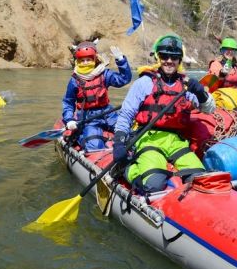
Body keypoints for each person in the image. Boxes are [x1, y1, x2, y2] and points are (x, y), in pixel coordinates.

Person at [113, 33, 216, 193]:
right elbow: (126, 115)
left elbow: (209, 109)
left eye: (174, 57)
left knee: (202, 180)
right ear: (158, 57)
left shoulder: (187, 86)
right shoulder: (145, 82)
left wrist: (201, 93)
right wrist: (119, 142)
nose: (169, 60)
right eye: (164, 56)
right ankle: (126, 169)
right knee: (153, 184)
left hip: (176, 141)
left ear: (179, 60)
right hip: (148, 138)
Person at [62, 41, 131, 151]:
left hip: (108, 113)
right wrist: (69, 119)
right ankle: (79, 136)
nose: (85, 63)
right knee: (95, 145)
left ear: (95, 59)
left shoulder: (104, 74)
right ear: (77, 61)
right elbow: (68, 103)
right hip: (88, 118)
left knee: (127, 134)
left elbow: (124, 79)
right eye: (82, 60)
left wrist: (121, 60)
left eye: (88, 59)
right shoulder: (74, 81)